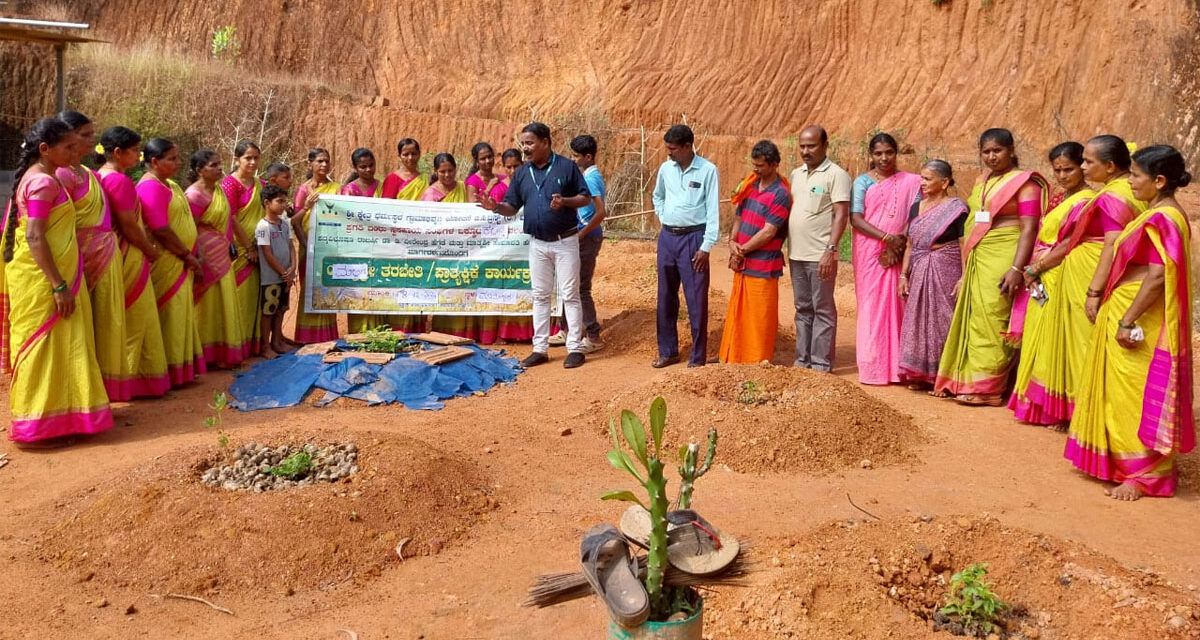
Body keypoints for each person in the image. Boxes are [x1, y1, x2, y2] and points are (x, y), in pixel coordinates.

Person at [1065, 145, 1194, 500]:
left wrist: (1127, 319)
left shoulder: (1165, 218)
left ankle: (1146, 475)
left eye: (1136, 176)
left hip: (1141, 316)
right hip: (1127, 305)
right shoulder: (1157, 213)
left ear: (1160, 180)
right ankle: (1124, 465)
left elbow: (1156, 277)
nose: (1131, 182)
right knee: (1121, 392)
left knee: (1133, 394)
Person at [1016, 136, 1146, 421]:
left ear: (1110, 166)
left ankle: (1084, 413)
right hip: (1079, 275)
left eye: (1087, 162)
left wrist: (1094, 292)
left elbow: (1111, 243)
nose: (1083, 168)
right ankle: (1073, 410)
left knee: (1083, 344)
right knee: (1076, 343)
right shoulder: (1119, 191)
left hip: (1088, 277)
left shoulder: (1114, 195)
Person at [3, 117, 112, 445]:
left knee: (58, 347)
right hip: (47, 280)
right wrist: (58, 285)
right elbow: (36, 236)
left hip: (47, 275)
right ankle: (42, 426)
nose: (75, 150)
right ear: (45, 149)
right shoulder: (44, 183)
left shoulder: (40, 177)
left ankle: (57, 421)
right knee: (46, 347)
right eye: (68, 146)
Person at [933, 128, 1046, 405]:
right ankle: (969, 381)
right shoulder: (983, 180)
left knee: (994, 316)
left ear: (1011, 150)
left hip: (1005, 254)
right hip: (979, 254)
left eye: (997, 150)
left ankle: (990, 388)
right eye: (986, 151)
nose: (991, 156)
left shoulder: (1024, 183)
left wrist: (1017, 268)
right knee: (975, 317)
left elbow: (1030, 227)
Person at [480, 121, 590, 369]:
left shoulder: (567, 167)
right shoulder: (521, 173)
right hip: (538, 244)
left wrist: (565, 202)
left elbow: (584, 198)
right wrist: (494, 206)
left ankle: (575, 347)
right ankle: (540, 348)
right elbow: (511, 207)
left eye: (529, 143)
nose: (525, 148)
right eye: (523, 143)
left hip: (565, 241)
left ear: (545, 142)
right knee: (540, 296)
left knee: (570, 295)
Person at [1008, 143, 1098, 426]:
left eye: (1068, 169)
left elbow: (1073, 241)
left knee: (1060, 340)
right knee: (1040, 337)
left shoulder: (1087, 200)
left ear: (1082, 166)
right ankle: (1045, 405)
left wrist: (1037, 266)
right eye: (1057, 170)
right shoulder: (1061, 197)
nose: (1061, 175)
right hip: (1042, 275)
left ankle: (1067, 410)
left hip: (1061, 273)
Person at [55, 111, 128, 400]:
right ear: (66, 138)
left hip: (104, 254)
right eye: (85, 135)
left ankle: (101, 392)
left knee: (107, 323)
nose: (92, 140)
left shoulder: (88, 174)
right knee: (83, 328)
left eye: (91, 134)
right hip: (78, 260)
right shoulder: (60, 175)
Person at [97, 126, 170, 398]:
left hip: (116, 253)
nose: (139, 155)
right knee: (138, 317)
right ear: (117, 152)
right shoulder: (118, 180)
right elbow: (128, 224)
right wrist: (150, 250)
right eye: (135, 150)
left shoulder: (100, 177)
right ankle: (132, 380)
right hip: (130, 254)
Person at [850, 132, 922, 384]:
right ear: (871, 155)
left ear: (896, 153)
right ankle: (873, 367)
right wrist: (887, 239)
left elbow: (916, 212)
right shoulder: (862, 183)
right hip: (871, 251)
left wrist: (900, 239)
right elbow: (856, 219)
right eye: (878, 153)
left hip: (902, 248)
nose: (884, 158)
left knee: (899, 303)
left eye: (889, 152)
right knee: (871, 308)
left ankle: (898, 368)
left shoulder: (912, 182)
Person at [137, 138, 206, 386]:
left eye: (178, 157)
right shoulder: (150, 186)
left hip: (179, 260)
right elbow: (160, 229)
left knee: (179, 315)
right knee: (169, 315)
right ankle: (165, 370)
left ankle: (180, 369)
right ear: (154, 161)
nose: (178, 163)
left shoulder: (169, 184)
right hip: (167, 259)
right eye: (172, 159)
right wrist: (187, 256)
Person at [650, 124, 720, 368]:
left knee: (696, 299)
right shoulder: (665, 169)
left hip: (694, 240)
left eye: (672, 149)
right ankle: (668, 351)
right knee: (666, 297)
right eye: (667, 148)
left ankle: (697, 357)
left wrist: (706, 246)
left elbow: (713, 211)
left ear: (687, 146)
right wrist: (663, 215)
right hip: (667, 238)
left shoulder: (708, 170)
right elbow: (657, 195)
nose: (668, 153)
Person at [718, 140, 790, 363]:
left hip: (763, 264)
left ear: (774, 164)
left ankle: (756, 360)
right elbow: (739, 217)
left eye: (760, 166)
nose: (755, 169)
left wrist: (742, 250)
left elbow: (769, 231)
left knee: (759, 317)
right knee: (739, 313)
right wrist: (732, 242)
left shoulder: (781, 194)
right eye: (754, 165)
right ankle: (734, 356)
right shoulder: (749, 185)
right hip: (744, 261)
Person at [896, 160, 967, 388]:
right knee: (917, 319)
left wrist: (963, 277)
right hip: (918, 267)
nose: (922, 183)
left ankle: (944, 377)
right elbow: (910, 244)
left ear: (944, 182)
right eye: (921, 177)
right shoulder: (916, 208)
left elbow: (964, 245)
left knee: (944, 318)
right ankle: (919, 374)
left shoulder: (957, 209)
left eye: (928, 178)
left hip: (946, 268)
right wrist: (903, 275)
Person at [788, 125, 851, 372]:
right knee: (803, 308)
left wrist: (831, 250)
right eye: (802, 146)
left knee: (822, 309)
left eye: (811, 146)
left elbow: (841, 214)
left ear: (825, 146)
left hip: (820, 256)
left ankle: (821, 364)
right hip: (796, 254)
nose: (806, 151)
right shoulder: (796, 174)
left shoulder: (836, 175)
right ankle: (802, 361)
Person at [186, 149, 247, 368]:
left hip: (222, 252)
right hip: (205, 254)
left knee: (224, 300)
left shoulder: (220, 190)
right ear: (199, 170)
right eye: (213, 165)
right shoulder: (193, 195)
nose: (219, 168)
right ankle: (204, 354)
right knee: (206, 303)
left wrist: (231, 242)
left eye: (220, 164)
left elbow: (228, 219)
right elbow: (189, 227)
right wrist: (197, 256)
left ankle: (223, 353)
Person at [549, 135, 607, 352]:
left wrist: (582, 234)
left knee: (581, 288)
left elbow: (601, 212)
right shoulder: (587, 175)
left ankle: (593, 335)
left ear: (588, 157)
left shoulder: (591, 178)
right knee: (568, 284)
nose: (573, 159)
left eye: (576, 156)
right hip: (580, 236)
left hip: (587, 238)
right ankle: (569, 330)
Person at [291, 147, 341, 343]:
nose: (324, 165)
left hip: (329, 248)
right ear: (309, 163)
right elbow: (295, 221)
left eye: (327, 161)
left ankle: (327, 337)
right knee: (308, 291)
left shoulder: (337, 188)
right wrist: (307, 245)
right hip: (308, 249)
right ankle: (306, 338)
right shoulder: (303, 190)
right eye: (320, 161)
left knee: (327, 289)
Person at [378, 138, 428, 332]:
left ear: (419, 154)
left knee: (419, 281)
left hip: (421, 239)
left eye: (414, 153)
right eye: (405, 154)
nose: (410, 158)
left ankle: (417, 325)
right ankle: (397, 326)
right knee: (400, 280)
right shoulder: (392, 179)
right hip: (399, 240)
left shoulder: (425, 179)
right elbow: (386, 210)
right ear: (399, 156)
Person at [219, 141, 264, 355]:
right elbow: (232, 217)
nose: (253, 162)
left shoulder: (259, 184)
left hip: (259, 246)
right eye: (248, 158)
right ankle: (235, 346)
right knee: (239, 296)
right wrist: (248, 247)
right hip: (240, 249)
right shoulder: (230, 184)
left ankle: (250, 345)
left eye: (256, 157)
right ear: (237, 159)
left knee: (253, 296)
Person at [340, 147, 390, 334]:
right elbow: (347, 220)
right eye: (363, 167)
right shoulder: (349, 190)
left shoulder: (382, 185)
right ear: (355, 167)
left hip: (380, 247)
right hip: (358, 248)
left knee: (378, 287)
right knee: (359, 288)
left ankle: (379, 331)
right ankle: (359, 333)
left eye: (371, 166)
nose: (368, 170)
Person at [491, 148, 533, 343]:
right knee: (505, 285)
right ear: (503, 168)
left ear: (522, 165)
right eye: (508, 167)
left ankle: (527, 332)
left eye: (516, 166)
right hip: (504, 247)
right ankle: (506, 333)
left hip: (527, 245)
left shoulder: (531, 183)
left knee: (527, 284)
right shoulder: (499, 189)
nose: (512, 170)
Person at [256, 185, 298, 356]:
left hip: (286, 277)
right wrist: (283, 272)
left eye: (284, 201)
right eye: (279, 201)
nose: (283, 205)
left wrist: (293, 268)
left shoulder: (285, 224)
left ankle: (277, 342)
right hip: (271, 278)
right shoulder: (262, 226)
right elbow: (267, 253)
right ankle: (265, 346)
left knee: (281, 309)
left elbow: (291, 246)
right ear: (267, 203)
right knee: (268, 312)